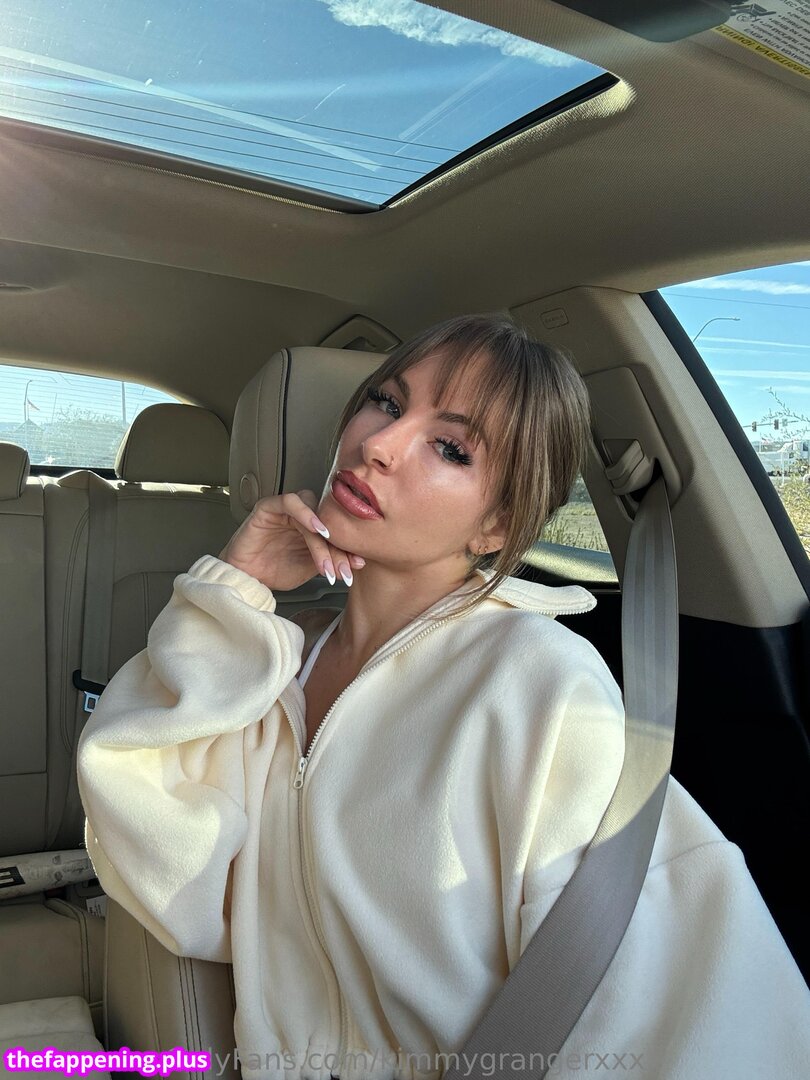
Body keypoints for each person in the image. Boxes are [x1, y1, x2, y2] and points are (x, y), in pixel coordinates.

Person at [77, 314, 810, 1080]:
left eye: (452, 448)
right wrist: (232, 594)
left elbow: (688, 1016)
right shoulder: (273, 668)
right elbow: (165, 869)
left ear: (497, 524)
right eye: (387, 403)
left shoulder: (541, 685)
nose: (379, 444)